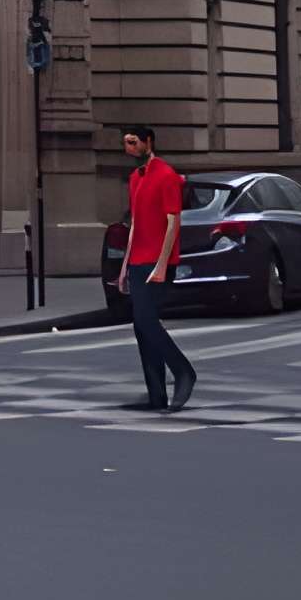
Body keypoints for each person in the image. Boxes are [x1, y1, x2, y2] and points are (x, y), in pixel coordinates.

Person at [116, 123, 196, 413]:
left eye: (133, 142)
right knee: (141, 326)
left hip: (157, 262)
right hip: (137, 261)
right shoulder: (135, 178)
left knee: (147, 321)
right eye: (126, 143)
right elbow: (135, 224)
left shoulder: (166, 176)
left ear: (148, 142)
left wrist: (162, 265)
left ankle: (184, 371)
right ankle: (156, 395)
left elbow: (173, 223)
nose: (129, 148)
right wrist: (124, 267)